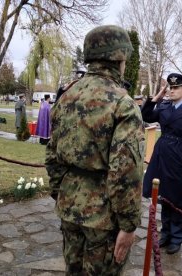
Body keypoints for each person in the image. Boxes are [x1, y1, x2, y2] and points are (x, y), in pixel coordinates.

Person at [45, 25, 144, 275]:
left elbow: (52, 154)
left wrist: (61, 193)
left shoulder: (66, 96)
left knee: (73, 270)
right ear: (120, 57)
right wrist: (129, 224)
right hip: (104, 216)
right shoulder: (123, 103)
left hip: (69, 206)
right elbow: (125, 172)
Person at [142, 73, 182, 255]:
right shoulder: (163, 107)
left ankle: (177, 238)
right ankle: (166, 234)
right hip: (162, 156)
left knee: (178, 199)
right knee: (163, 196)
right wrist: (155, 99)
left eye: (175, 88)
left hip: (180, 158)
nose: (171, 90)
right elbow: (146, 115)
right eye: (170, 87)